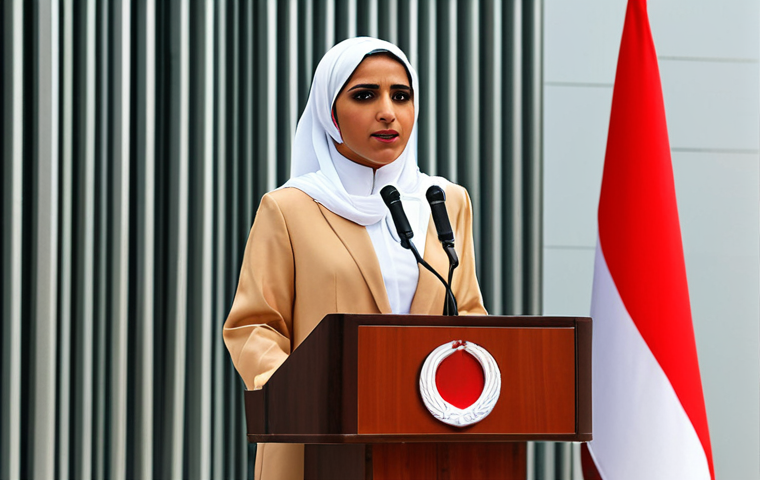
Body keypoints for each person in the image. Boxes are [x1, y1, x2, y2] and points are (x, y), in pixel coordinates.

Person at [223, 37, 486, 480]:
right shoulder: (290, 208)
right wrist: (305, 399)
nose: (388, 111)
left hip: (428, 443)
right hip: (319, 446)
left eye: (401, 96)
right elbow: (254, 327)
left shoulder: (445, 201)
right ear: (330, 112)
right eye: (365, 95)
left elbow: (469, 313)